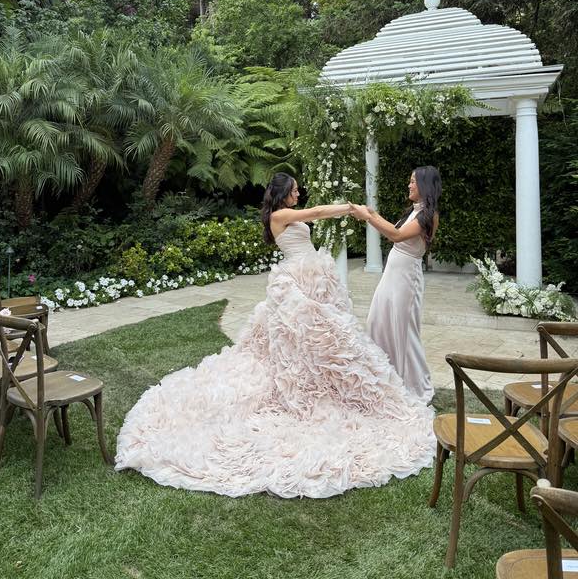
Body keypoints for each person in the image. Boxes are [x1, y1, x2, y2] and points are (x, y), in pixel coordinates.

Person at [115, 172, 435, 498]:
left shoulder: (286, 213)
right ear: (283, 194)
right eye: (295, 190)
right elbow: (313, 214)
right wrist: (348, 208)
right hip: (296, 282)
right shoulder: (279, 216)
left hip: (313, 279)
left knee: (328, 339)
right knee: (301, 338)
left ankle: (331, 383)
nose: (299, 193)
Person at [349, 166, 442, 404]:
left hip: (406, 278)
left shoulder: (428, 215)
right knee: (378, 321)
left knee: (404, 329)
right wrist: (370, 212)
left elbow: (396, 235)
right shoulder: (414, 211)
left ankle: (416, 384)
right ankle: (382, 374)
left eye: (413, 182)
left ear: (424, 185)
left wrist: (369, 217)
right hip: (392, 274)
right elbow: (395, 229)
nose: (409, 185)